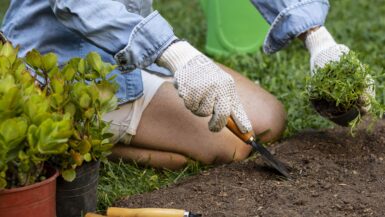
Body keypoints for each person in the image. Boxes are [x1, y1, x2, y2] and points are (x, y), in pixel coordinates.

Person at [0, 0, 367, 170]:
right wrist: (177, 56)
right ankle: (78, 142)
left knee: (268, 117)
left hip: (128, 52)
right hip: (65, 68)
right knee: (229, 148)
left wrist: (317, 38)